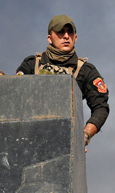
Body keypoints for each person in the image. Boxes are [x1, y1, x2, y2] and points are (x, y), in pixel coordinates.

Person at [16, 14, 109, 147]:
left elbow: (101, 107)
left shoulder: (85, 70)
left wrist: (85, 135)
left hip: (65, 143)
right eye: (60, 32)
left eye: (70, 32)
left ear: (75, 38)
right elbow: (15, 96)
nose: (66, 36)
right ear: (49, 38)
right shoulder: (32, 65)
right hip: (29, 139)